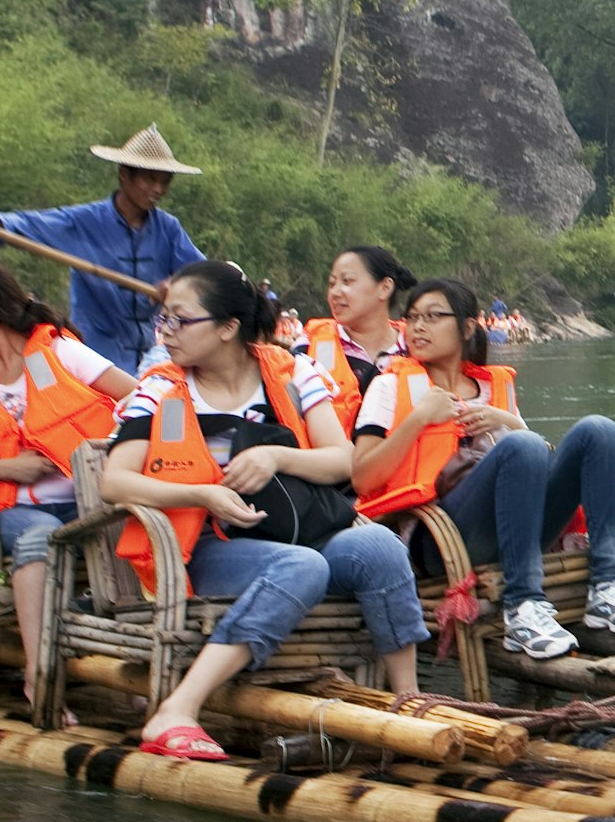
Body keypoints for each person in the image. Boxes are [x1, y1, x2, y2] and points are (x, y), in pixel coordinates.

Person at [102, 258, 431, 762]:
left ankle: (405, 702)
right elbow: (115, 480)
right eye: (163, 319)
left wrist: (275, 455)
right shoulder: (160, 387)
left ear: (228, 327)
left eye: (179, 320)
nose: (165, 332)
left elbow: (342, 458)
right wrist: (202, 494)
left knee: (379, 545)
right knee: (302, 565)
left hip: (299, 529)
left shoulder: (293, 371)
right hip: (209, 544)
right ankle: (178, 708)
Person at [355, 275, 615, 660]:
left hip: (520, 528)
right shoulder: (389, 387)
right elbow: (362, 477)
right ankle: (522, 607)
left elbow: (537, 458)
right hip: (441, 538)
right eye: (411, 318)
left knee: (600, 431)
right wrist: (419, 419)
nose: (417, 327)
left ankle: (609, 586)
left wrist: (508, 421)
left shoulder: (495, 389)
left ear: (467, 327)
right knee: (521, 445)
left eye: (432, 316)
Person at [0, 255, 132, 710]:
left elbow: (139, 398)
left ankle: (133, 672)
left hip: (84, 503)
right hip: (5, 510)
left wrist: (103, 447)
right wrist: (1, 468)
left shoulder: (60, 353)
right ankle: (39, 674)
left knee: (131, 525)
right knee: (39, 535)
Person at [0, 125, 203, 376]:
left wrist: (175, 284)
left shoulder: (168, 229)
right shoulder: (86, 221)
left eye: (165, 181)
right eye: (150, 179)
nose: (158, 190)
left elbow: (205, 275)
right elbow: (34, 224)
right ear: (124, 175)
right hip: (94, 358)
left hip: (149, 356)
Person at [302, 243, 411, 436]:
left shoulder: (416, 347)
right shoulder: (309, 344)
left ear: (385, 288)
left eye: (347, 281)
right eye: (332, 283)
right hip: (329, 461)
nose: (335, 293)